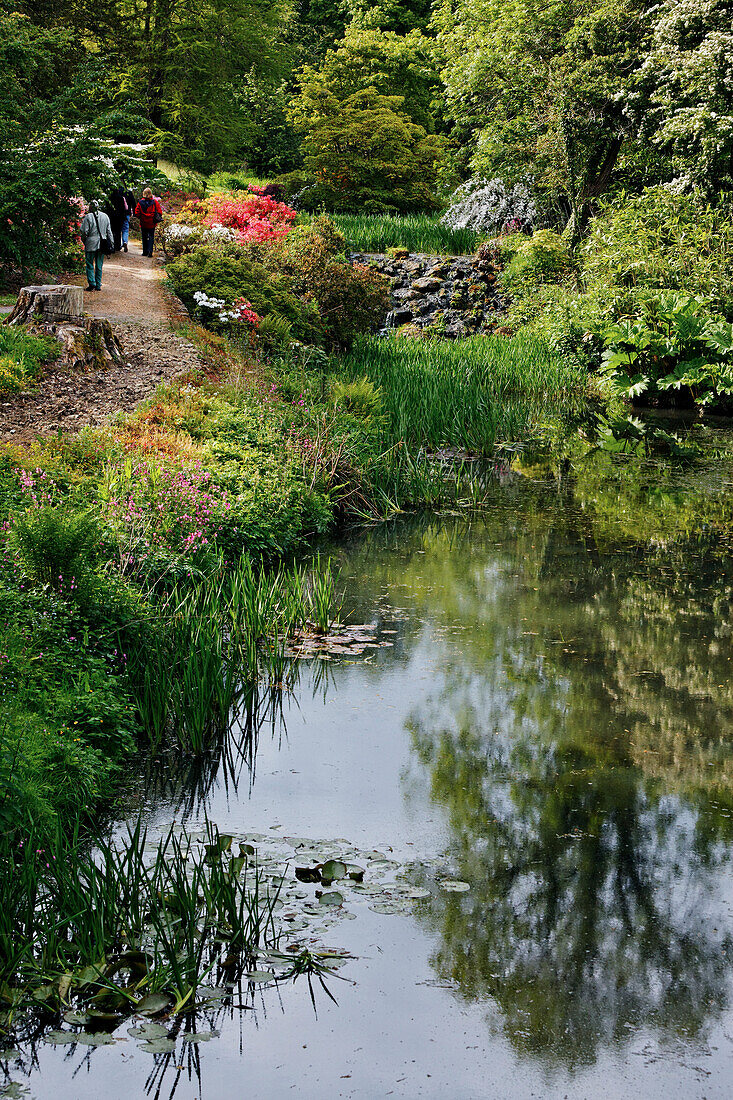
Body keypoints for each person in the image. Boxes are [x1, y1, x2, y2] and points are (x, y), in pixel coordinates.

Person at [79, 199, 114, 291]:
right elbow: (109, 231)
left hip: (90, 243)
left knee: (90, 263)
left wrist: (84, 241)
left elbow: (83, 231)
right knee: (99, 265)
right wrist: (111, 244)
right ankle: (98, 284)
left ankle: (92, 283)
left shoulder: (88, 217)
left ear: (90, 207)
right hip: (102, 243)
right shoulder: (105, 216)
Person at [135, 187, 163, 257]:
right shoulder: (154, 202)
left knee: (144, 237)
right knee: (151, 237)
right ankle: (150, 251)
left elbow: (137, 212)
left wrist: (140, 217)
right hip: (152, 223)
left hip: (143, 222)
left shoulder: (140, 202)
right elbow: (159, 212)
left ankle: (145, 251)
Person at [108, 186, 129, 252]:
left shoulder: (109, 198)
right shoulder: (121, 198)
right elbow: (124, 208)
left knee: (111, 231)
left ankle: (111, 246)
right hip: (120, 218)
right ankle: (117, 246)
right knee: (118, 232)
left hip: (111, 217)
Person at [121, 186, 136, 252]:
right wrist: (135, 213)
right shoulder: (129, 193)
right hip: (127, 214)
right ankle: (125, 241)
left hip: (118, 214)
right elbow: (133, 203)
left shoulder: (118, 192)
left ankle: (118, 245)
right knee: (125, 229)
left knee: (118, 230)